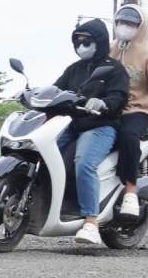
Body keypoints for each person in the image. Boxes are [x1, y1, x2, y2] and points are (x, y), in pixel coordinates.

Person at [54, 18, 130, 245]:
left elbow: (119, 97)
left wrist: (103, 103)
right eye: (77, 41)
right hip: (73, 125)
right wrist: (34, 94)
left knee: (84, 163)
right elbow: (56, 89)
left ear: (99, 41)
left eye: (86, 41)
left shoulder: (114, 68)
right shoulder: (73, 69)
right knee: (41, 155)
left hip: (100, 126)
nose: (81, 45)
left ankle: (91, 222)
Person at [109, 4, 148, 218]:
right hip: (109, 108)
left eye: (131, 23)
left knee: (128, 135)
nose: (124, 26)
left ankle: (131, 191)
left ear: (141, 26)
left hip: (138, 110)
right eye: (120, 22)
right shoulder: (110, 49)